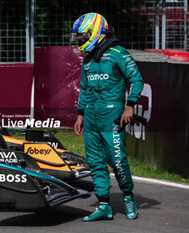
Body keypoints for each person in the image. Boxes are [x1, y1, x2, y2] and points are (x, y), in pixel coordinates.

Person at [72, 12, 144, 221]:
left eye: (82, 37)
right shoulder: (87, 58)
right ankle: (103, 205)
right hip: (92, 116)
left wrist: (129, 106)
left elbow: (136, 80)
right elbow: (84, 89)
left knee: (117, 159)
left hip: (112, 115)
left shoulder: (118, 53)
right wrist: (80, 114)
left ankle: (128, 197)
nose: (80, 41)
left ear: (96, 33)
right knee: (95, 161)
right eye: (78, 38)